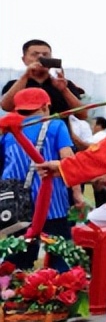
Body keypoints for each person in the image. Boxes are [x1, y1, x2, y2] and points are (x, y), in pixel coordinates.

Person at [1, 87, 81, 265]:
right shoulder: (56, 125)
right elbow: (68, 159)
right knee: (60, 256)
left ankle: (11, 291)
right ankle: (60, 290)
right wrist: (77, 194)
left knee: (16, 260)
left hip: (16, 207)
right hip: (52, 204)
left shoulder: (8, 131)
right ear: (46, 107)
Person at [1, 39, 85, 116]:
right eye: (35, 54)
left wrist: (64, 90)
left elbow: (82, 115)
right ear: (24, 59)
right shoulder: (13, 84)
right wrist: (25, 76)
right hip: (24, 131)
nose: (41, 57)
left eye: (45, 55)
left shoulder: (64, 84)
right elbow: (6, 107)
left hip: (57, 131)